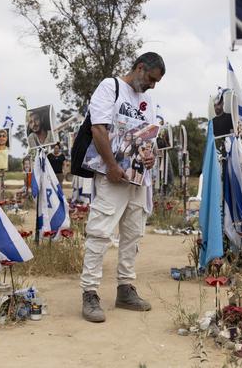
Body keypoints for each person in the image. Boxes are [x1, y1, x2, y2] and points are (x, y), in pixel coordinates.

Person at [80, 52, 165, 323]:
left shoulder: (148, 100)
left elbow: (148, 137)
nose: (153, 85)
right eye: (151, 79)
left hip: (138, 179)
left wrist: (151, 156)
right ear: (140, 68)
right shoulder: (110, 87)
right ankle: (90, 292)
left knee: (133, 234)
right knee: (100, 232)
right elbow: (98, 129)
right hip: (112, 175)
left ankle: (125, 288)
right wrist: (111, 166)